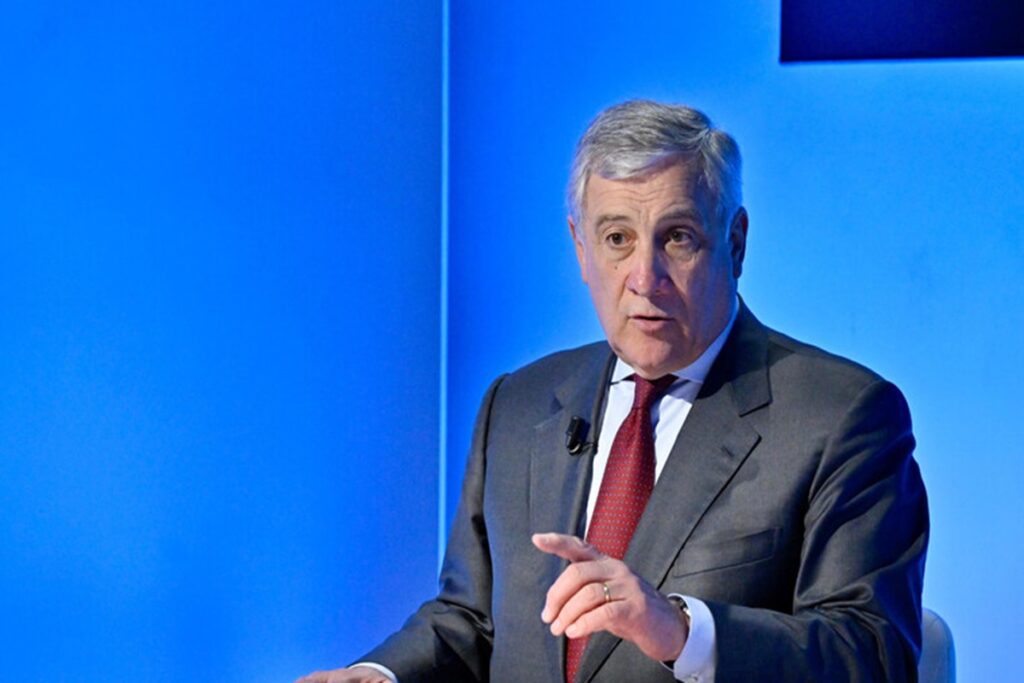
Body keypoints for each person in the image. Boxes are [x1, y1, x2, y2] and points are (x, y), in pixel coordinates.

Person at [296, 99, 928, 682]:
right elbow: (472, 622)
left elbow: (872, 653)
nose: (644, 278)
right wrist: (379, 676)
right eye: (617, 239)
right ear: (581, 248)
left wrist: (682, 630)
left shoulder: (839, 417)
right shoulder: (517, 405)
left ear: (734, 243)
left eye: (677, 237)